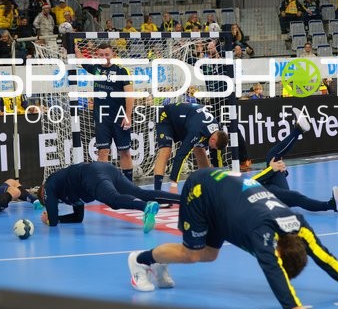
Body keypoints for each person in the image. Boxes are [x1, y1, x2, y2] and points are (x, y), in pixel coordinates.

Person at [127, 168, 338, 309]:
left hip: (230, 202)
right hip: (204, 190)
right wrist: (293, 307)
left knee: (209, 255)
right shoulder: (263, 234)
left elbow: (325, 258)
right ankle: (141, 260)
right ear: (279, 250)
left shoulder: (300, 226)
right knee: (193, 254)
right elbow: (272, 268)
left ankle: (162, 261)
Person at [251, 108, 338, 214]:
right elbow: (251, 183)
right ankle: (332, 205)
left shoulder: (232, 185)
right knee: (295, 197)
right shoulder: (234, 194)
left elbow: (251, 182)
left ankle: (298, 129)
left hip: (267, 187)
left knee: (274, 158)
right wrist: (271, 170)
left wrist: (277, 169)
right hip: (266, 198)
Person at [38, 163, 180, 232]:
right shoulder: (69, 193)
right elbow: (78, 218)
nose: (50, 202)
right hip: (104, 170)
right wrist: (58, 219)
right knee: (139, 193)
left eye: (47, 201)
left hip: (91, 175)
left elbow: (53, 222)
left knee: (113, 200)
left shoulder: (49, 186)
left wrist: (49, 219)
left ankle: (145, 207)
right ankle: (184, 199)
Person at [75, 42, 135, 180]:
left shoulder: (121, 71)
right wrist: (75, 49)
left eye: (107, 54)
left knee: (125, 151)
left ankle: (129, 184)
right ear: (97, 55)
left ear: (112, 54)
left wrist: (128, 116)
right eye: (101, 55)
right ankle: (104, 184)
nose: (104, 57)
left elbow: (130, 95)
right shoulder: (96, 69)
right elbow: (81, 60)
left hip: (119, 117)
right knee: (103, 151)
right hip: (101, 118)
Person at [152, 102, 229, 190]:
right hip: (166, 116)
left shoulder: (217, 131)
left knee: (200, 149)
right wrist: (174, 184)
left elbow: (217, 158)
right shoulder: (196, 131)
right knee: (166, 150)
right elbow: (181, 155)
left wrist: (219, 181)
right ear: (213, 140)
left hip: (186, 120)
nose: (211, 148)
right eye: (213, 146)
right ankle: (157, 191)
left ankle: (206, 183)